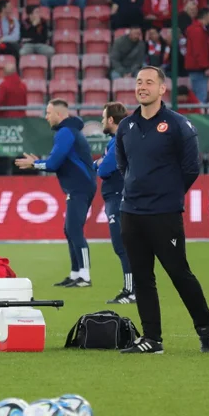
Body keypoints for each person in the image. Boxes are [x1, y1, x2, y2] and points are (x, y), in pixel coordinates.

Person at [114, 67, 209, 354]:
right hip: (131, 213)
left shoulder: (178, 125)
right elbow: (124, 166)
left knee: (179, 273)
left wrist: (167, 195)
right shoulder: (126, 126)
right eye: (138, 82)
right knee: (142, 277)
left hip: (164, 214)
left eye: (149, 82)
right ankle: (152, 339)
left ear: (162, 89)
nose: (142, 87)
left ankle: (206, 331)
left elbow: (191, 169)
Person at [14, 99, 96, 287]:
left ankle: (85, 276)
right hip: (79, 186)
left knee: (74, 230)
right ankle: (76, 274)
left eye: (49, 113)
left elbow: (52, 164)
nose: (46, 117)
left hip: (80, 187)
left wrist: (35, 164)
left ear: (59, 114)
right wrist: (39, 162)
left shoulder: (65, 132)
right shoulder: (69, 131)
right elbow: (55, 160)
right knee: (70, 230)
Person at [97, 102, 135, 304]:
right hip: (119, 195)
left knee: (122, 246)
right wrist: (100, 163)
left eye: (104, 118)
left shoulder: (118, 141)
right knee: (125, 246)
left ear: (111, 120)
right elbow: (101, 164)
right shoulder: (118, 140)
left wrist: (101, 164)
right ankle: (131, 289)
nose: (102, 121)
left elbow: (103, 170)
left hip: (118, 196)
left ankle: (131, 291)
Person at [185, 8, 209, 104]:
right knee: (200, 97)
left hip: (196, 67)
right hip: (198, 68)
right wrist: (206, 66)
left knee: (198, 96)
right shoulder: (197, 31)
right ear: (205, 16)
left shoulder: (198, 29)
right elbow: (199, 51)